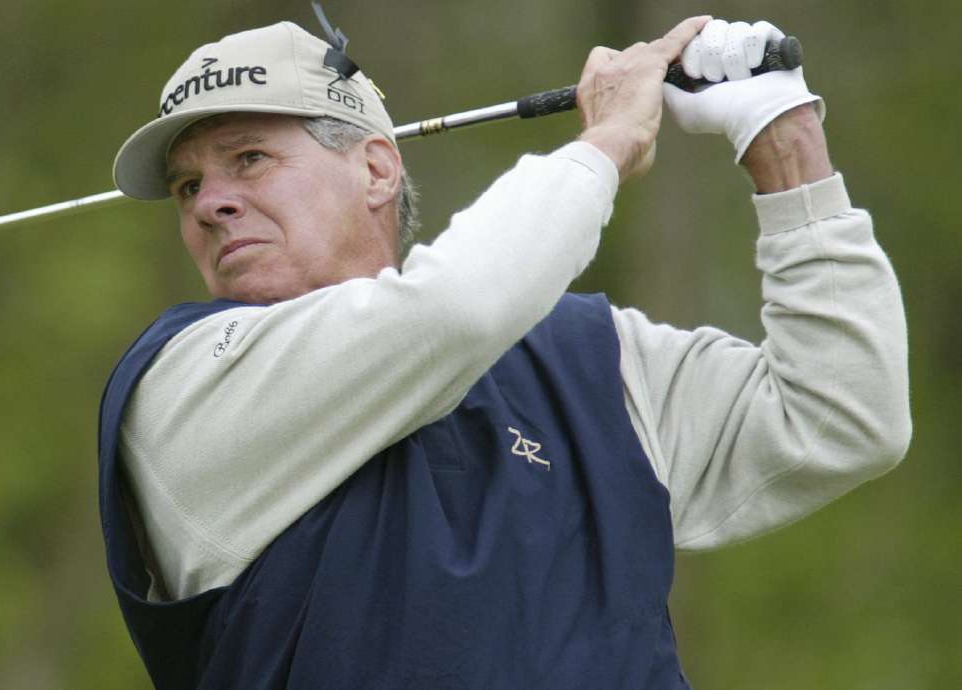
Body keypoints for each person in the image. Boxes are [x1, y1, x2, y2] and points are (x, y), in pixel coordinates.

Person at [96, 15, 911, 689]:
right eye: (188, 186)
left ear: (377, 169)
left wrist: (785, 139)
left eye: (247, 159)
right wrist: (612, 140)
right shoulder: (179, 385)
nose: (213, 204)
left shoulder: (586, 358)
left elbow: (843, 416)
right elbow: (457, 309)